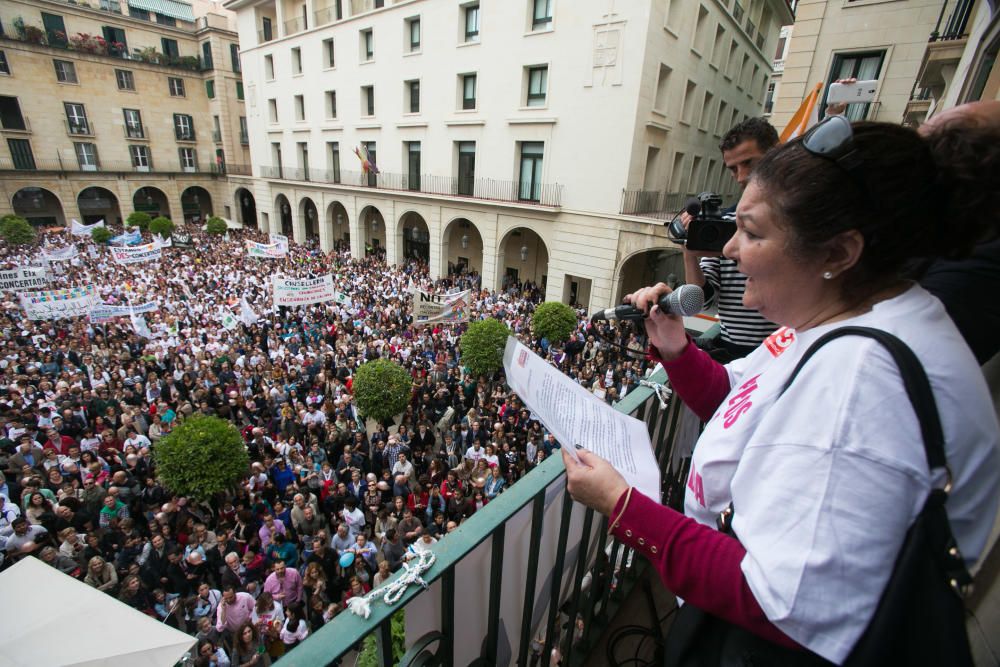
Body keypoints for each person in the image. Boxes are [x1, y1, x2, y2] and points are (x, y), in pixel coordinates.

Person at [563, 117, 1000, 664]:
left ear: (839, 253)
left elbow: (776, 600)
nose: (727, 249)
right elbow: (737, 398)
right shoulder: (832, 318)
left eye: (751, 231)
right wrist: (676, 348)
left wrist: (620, 504)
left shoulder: (862, 386)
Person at [682, 117, 779, 361]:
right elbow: (702, 302)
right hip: (732, 354)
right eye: (733, 169)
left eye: (749, 163)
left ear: (776, 154)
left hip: (780, 352)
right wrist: (689, 247)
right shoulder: (724, 223)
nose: (741, 177)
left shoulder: (797, 220)